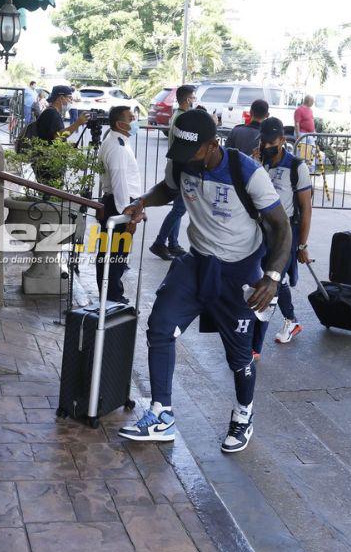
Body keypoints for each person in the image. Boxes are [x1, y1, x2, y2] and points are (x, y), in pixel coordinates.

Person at [118, 109, 292, 453]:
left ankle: (244, 415)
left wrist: (272, 277)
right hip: (196, 262)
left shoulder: (246, 172)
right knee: (160, 326)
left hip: (239, 271)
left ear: (213, 145)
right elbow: (167, 190)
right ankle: (161, 413)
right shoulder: (183, 162)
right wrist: (142, 202)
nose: (186, 162)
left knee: (240, 356)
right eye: (180, 155)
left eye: (193, 153)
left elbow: (281, 226)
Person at [257, 118, 313, 344]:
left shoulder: (297, 167)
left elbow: (306, 209)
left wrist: (302, 245)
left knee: (274, 278)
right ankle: (289, 319)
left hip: (284, 231)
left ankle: (262, 336)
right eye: (264, 142)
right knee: (265, 277)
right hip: (261, 229)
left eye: (271, 143)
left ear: (282, 140)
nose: (267, 147)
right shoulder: (260, 162)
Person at [95, 105, 141, 303]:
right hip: (119, 204)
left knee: (113, 253)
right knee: (114, 255)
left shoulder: (117, 141)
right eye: (132, 118)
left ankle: (111, 294)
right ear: (120, 124)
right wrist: (128, 214)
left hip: (118, 203)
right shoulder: (117, 148)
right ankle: (113, 297)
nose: (135, 120)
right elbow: (120, 182)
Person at [149, 85, 195, 260]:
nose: (194, 100)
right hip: (179, 168)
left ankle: (173, 243)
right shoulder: (183, 118)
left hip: (176, 166)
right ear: (186, 99)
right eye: (193, 97)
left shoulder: (178, 115)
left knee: (178, 208)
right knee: (179, 209)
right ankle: (160, 242)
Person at [33, 85, 87, 184]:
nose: (70, 101)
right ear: (61, 98)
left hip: (48, 161)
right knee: (51, 193)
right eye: (69, 98)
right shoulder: (51, 113)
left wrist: (66, 146)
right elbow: (58, 136)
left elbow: (51, 139)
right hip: (48, 164)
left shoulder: (52, 112)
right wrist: (78, 123)